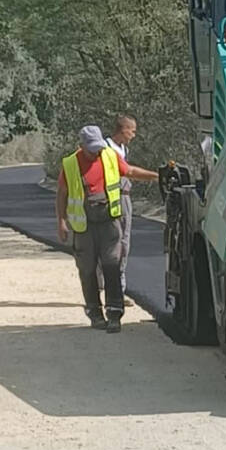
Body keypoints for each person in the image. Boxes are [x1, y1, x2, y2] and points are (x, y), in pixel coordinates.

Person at [56, 125, 158, 333]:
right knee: (87, 270)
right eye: (91, 149)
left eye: (98, 147)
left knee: (112, 266)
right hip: (84, 225)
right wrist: (61, 221)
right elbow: (62, 193)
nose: (96, 152)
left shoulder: (109, 156)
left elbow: (129, 171)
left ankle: (114, 314)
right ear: (81, 146)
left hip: (109, 222)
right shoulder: (71, 164)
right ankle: (95, 313)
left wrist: (156, 176)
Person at [105, 114, 139, 301]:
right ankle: (109, 286)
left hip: (124, 198)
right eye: (132, 131)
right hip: (111, 200)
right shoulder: (106, 148)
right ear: (123, 129)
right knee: (111, 244)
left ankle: (119, 287)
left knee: (123, 244)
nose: (133, 135)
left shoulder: (123, 149)